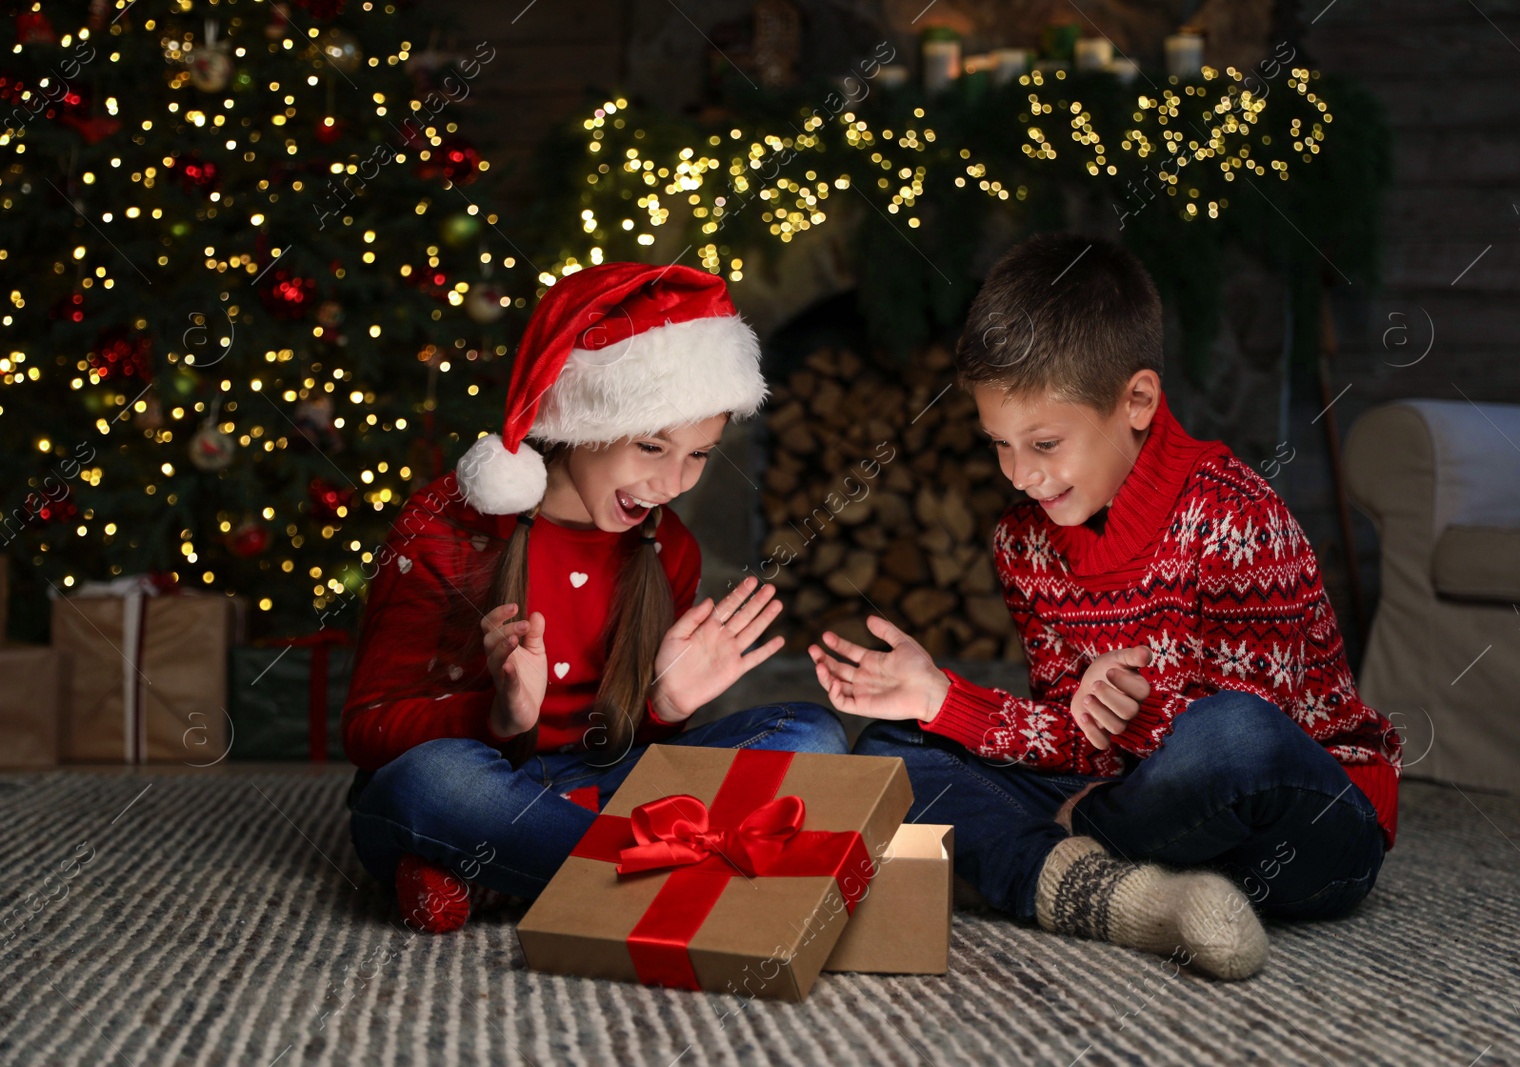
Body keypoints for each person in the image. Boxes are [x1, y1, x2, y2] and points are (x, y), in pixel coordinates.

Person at [812, 234, 1401, 980]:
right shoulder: (1024, 545)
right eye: (1000, 444)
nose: (1022, 473)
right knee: (894, 752)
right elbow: (1074, 741)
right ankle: (1119, 893)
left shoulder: (1236, 516)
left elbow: (1255, 748)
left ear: (1137, 402)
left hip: (1301, 830)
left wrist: (1111, 760)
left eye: (1046, 442)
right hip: (1139, 803)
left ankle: (1060, 850)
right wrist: (940, 697)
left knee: (1231, 736)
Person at [342, 262, 848, 934]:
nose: (673, 482)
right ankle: (671, 877)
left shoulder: (669, 547)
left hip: (599, 785)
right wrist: (496, 712)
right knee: (433, 784)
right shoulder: (445, 527)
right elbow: (368, 727)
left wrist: (663, 706)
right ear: (580, 423)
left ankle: (514, 871)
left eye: (700, 455)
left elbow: (625, 749)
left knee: (812, 737)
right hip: (482, 783)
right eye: (651, 445)